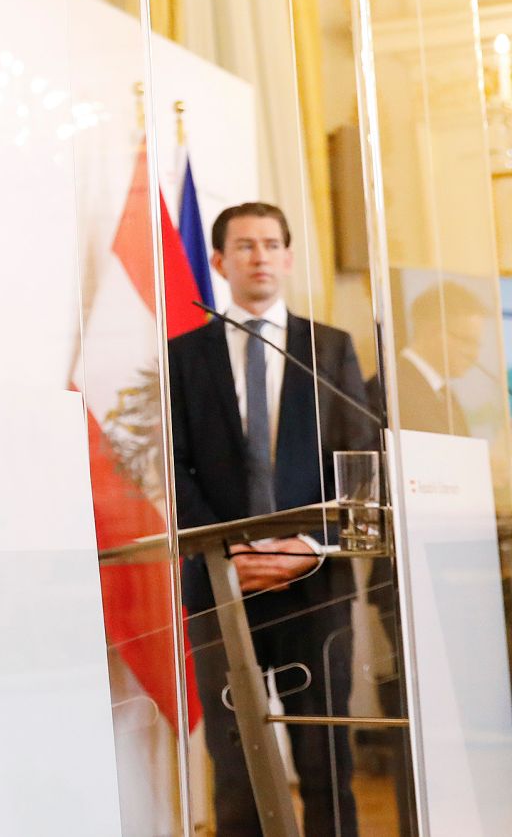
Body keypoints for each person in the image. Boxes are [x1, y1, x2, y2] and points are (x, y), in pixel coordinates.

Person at [168, 202, 375, 837]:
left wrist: (308, 544)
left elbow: (362, 469)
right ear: (220, 261)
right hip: (221, 589)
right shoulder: (183, 356)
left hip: (315, 583)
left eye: (270, 244)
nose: (259, 256)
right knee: (237, 765)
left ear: (287, 257)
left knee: (324, 760)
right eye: (244, 246)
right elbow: (174, 473)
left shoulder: (331, 349)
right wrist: (227, 552)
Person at [394, 279, 487, 435]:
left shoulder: (444, 394)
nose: (474, 354)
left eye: (477, 344)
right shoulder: (393, 389)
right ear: (431, 331)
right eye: (467, 341)